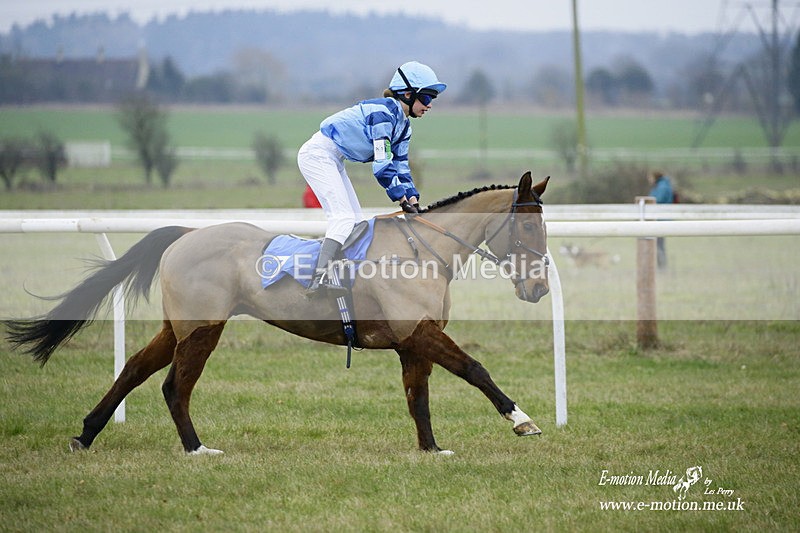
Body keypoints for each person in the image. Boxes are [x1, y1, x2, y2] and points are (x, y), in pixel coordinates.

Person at [297, 60, 446, 295]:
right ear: (407, 94)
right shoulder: (382, 114)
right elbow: (382, 165)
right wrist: (401, 200)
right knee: (344, 219)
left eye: (432, 101)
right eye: (426, 98)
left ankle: (340, 274)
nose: (429, 106)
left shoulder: (404, 127)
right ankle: (319, 278)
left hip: (334, 159)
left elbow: (401, 167)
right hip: (317, 155)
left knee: (356, 222)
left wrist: (414, 199)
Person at [648, 170, 674, 270]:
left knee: (659, 246)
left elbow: (655, 200)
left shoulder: (662, 187)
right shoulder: (661, 186)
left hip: (661, 219)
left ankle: (662, 267)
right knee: (658, 245)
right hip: (658, 218)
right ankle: (659, 267)